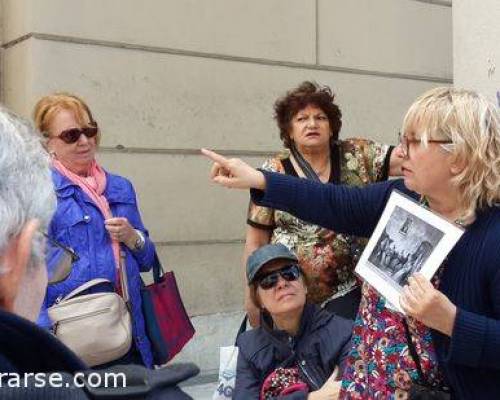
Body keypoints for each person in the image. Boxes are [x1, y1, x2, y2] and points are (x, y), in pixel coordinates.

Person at [202, 87, 500, 398]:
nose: (403, 151)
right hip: (368, 382)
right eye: (403, 138)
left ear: (460, 157)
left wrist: (452, 322)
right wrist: (260, 179)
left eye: (415, 141)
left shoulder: (492, 236)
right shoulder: (403, 199)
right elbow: (336, 202)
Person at [244, 81, 403, 325]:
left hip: (353, 291)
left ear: (332, 127)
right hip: (291, 293)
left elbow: (409, 161)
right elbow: (256, 243)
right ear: (288, 131)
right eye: (301, 119)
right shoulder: (272, 172)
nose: (312, 124)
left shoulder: (357, 154)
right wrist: (252, 301)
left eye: (320, 117)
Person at [33, 93, 157, 368]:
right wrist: (42, 343)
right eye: (71, 135)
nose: (85, 141)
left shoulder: (120, 187)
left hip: (127, 329)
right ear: (47, 143)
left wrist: (132, 237)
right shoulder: (39, 195)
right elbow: (30, 274)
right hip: (72, 335)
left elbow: (147, 260)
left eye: (90, 131)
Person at [235, 244, 352, 399]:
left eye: (289, 273)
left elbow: (354, 392)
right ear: (258, 299)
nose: (282, 283)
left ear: (304, 286)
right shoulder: (248, 347)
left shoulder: (343, 332)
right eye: (269, 280)